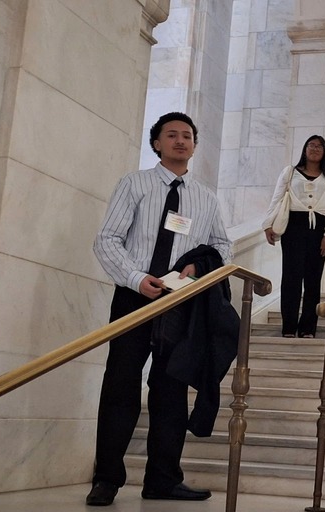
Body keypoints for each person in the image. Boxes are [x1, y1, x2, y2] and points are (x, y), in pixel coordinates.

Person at [87, 112, 231, 506]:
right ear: (157, 143)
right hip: (135, 297)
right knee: (120, 386)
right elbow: (107, 239)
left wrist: (197, 267)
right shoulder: (134, 184)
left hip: (181, 303)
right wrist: (136, 278)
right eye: (172, 135)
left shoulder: (205, 197)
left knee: (170, 392)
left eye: (187, 136)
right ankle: (106, 479)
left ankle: (163, 480)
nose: (181, 141)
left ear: (195, 146)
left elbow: (223, 247)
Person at [262, 135, 325, 338]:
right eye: (311, 145)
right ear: (304, 149)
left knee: (313, 279)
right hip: (293, 226)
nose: (314, 149)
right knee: (291, 276)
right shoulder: (290, 172)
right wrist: (267, 224)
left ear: (324, 152)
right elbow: (277, 198)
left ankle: (307, 327)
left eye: (319, 146)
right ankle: (288, 325)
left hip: (319, 229)